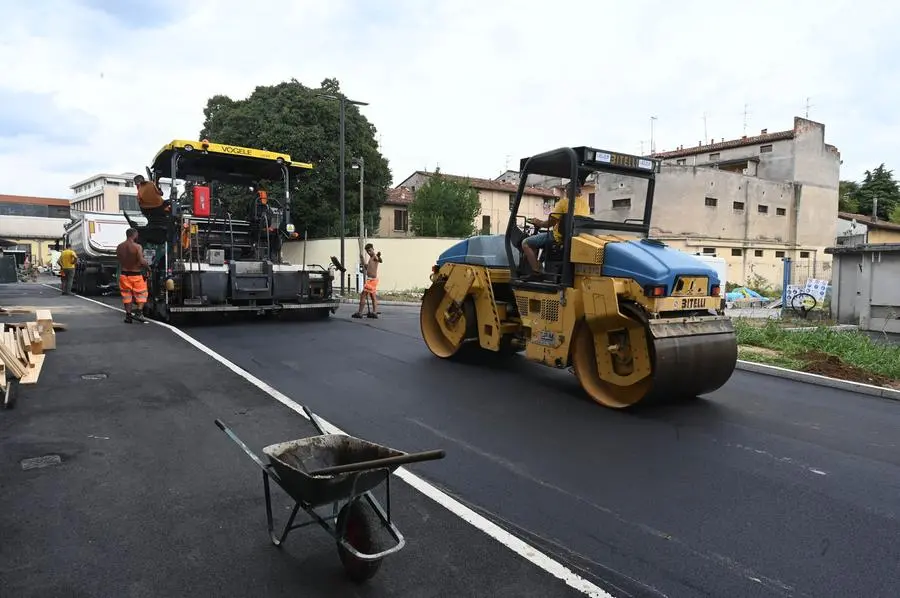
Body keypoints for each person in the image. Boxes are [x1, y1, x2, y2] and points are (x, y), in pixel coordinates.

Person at [521, 181, 590, 276]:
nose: (565, 193)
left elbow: (549, 223)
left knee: (526, 243)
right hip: (575, 237)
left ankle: (536, 271)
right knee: (539, 241)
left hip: (558, 237)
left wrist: (538, 222)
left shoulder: (563, 203)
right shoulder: (585, 205)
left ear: (569, 191)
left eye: (566, 191)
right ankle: (541, 263)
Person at [116, 228, 149, 324]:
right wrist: (148, 267)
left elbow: (119, 259)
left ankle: (128, 316)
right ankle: (139, 312)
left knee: (127, 296)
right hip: (136, 275)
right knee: (142, 294)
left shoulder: (119, 247)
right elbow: (142, 261)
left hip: (124, 275)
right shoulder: (137, 247)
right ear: (134, 235)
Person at [352, 243, 383, 319]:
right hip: (372, 280)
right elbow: (366, 267)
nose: (369, 252)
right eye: (367, 251)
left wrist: (378, 255)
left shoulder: (374, 257)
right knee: (373, 296)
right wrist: (362, 259)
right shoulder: (371, 258)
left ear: (373, 249)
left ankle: (360, 313)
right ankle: (374, 312)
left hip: (371, 281)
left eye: (370, 250)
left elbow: (380, 260)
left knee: (363, 295)